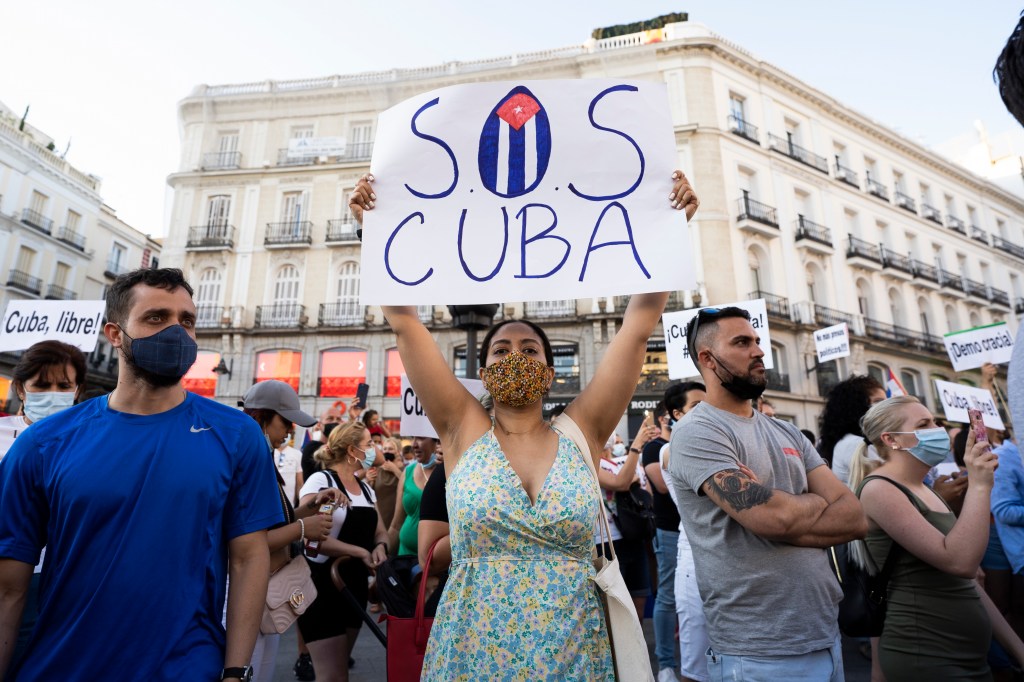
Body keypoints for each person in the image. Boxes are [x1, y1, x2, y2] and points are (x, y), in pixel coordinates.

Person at [350, 169, 698, 679]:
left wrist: (671, 230)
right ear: (485, 372)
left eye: (530, 349)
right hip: (472, 653)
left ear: (550, 371)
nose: (516, 355)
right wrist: (372, 231)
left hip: (576, 654)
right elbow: (405, 322)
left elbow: (639, 322)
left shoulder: (582, 430)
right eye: (502, 349)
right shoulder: (463, 428)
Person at [0, 268, 282, 682]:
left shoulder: (237, 435)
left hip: (187, 667)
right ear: (114, 333)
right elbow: (10, 587)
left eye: (186, 321)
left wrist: (235, 672)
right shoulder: (43, 443)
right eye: (156, 318)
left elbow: (248, 557)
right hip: (64, 665)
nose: (177, 332)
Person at [669, 306, 867, 681]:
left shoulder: (787, 432)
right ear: (707, 359)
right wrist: (816, 501)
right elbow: (771, 517)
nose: (759, 351)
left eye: (757, 340)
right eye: (742, 342)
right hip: (758, 650)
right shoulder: (698, 432)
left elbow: (855, 517)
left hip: (825, 635)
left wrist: (780, 513)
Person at [849, 396, 1024, 678]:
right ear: (892, 439)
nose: (937, 429)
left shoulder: (924, 488)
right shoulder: (879, 490)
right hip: (926, 654)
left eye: (934, 421)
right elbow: (961, 562)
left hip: (967, 657)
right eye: (924, 424)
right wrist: (980, 485)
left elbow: (967, 583)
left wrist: (1018, 649)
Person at [240, 380, 338, 682]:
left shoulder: (260, 456)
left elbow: (270, 523)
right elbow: (247, 541)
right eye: (286, 422)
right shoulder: (247, 460)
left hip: (263, 590)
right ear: (261, 417)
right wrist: (302, 528)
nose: (291, 431)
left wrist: (304, 513)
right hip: (246, 592)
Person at [0, 341, 87, 670]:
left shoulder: (91, 443)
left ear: (78, 390)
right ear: (21, 389)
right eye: (42, 384)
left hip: (63, 581)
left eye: (64, 386)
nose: (54, 393)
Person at [297, 421, 388, 682]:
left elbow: (380, 531)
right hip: (321, 585)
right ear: (352, 450)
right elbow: (308, 535)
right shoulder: (321, 479)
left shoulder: (368, 490)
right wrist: (360, 552)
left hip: (353, 587)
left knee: (340, 671)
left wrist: (380, 547)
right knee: (332, 676)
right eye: (369, 444)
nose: (374, 449)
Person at [658, 380, 708, 682]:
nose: (706, 412)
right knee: (696, 653)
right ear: (677, 414)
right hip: (693, 555)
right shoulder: (669, 449)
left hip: (729, 556)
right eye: (696, 407)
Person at [596, 423, 659, 621]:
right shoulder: (588, 463)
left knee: (638, 601)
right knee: (614, 612)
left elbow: (647, 496)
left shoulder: (626, 462)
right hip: (607, 543)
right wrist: (636, 446)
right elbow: (620, 482)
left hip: (634, 538)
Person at [641, 400, 680, 682]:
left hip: (695, 531)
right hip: (669, 531)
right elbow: (663, 486)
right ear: (668, 417)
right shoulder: (654, 449)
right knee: (667, 596)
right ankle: (666, 664)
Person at [817, 374, 886, 483]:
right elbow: (889, 481)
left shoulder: (852, 441)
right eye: (878, 401)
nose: (886, 406)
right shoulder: (856, 444)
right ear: (856, 405)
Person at [388, 435, 440, 557]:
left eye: (421, 438)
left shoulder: (450, 471)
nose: (414, 444)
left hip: (434, 563)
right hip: (405, 557)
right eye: (413, 438)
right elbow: (396, 525)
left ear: (437, 441)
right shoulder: (408, 471)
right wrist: (383, 559)